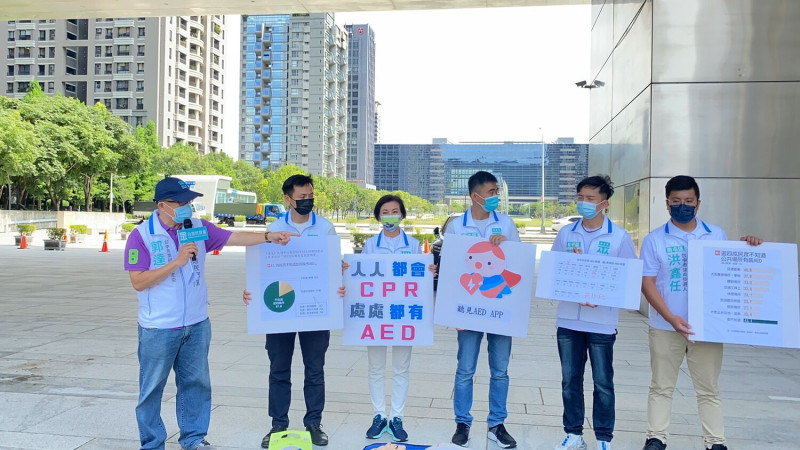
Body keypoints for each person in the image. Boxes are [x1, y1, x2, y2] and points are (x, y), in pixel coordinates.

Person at [124, 177, 294, 450]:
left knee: (196, 384)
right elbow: (138, 281)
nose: (186, 207)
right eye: (179, 202)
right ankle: (153, 442)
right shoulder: (142, 235)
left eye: (188, 201)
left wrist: (268, 237)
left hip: (196, 323)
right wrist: (177, 262)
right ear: (161, 205)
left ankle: (193, 439)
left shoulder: (196, 227)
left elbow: (232, 237)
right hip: (159, 327)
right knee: (151, 389)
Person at [639, 175, 763, 450]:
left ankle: (715, 441)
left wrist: (749, 248)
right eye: (676, 202)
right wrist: (671, 318)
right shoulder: (655, 240)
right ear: (667, 203)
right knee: (661, 385)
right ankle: (656, 437)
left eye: (688, 201)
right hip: (665, 325)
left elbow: (730, 271)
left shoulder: (715, 235)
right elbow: (647, 283)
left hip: (706, 326)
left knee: (708, 388)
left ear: (698, 203)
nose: (683, 206)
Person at [551, 176, 637, 450]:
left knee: (603, 382)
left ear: (604, 203)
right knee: (570, 380)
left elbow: (629, 280)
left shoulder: (619, 237)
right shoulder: (566, 233)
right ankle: (574, 434)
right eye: (581, 197)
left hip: (602, 322)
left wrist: (602, 297)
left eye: (590, 199)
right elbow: (554, 271)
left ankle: (603, 438)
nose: (584, 203)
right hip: (569, 320)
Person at [257, 174, 338, 448]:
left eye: (310, 196)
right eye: (302, 197)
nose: (307, 201)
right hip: (282, 310)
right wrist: (253, 293)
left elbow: (333, 265)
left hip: (315, 310)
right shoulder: (275, 227)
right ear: (288, 199)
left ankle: (313, 423)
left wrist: (340, 283)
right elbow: (262, 268)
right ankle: (278, 424)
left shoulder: (325, 227)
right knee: (279, 370)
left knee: (315, 369)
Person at [353, 194, 437, 442]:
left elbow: (419, 280)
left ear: (402, 215)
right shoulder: (369, 244)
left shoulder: (412, 244)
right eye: (385, 211)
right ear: (378, 216)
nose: (390, 215)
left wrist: (428, 271)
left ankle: (397, 417)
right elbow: (361, 278)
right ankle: (379, 415)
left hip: (403, 315)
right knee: (376, 367)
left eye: (395, 211)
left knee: (401, 368)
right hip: (377, 314)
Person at [446, 171, 520, 449]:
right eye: (490, 192)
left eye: (496, 192)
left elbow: (518, 266)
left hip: (500, 307)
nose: (495, 198)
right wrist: (453, 312)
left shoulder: (507, 224)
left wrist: (507, 247)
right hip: (468, 310)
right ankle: (462, 422)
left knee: (500, 370)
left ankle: (496, 424)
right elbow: (453, 271)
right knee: (465, 369)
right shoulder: (456, 226)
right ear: (474, 195)